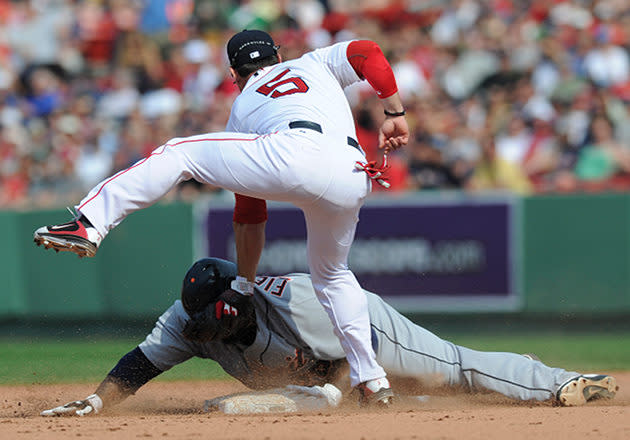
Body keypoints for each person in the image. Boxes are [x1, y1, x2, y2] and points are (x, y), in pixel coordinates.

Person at [33, 30, 409, 405]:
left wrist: (244, 284)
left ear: (233, 74)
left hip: (292, 152)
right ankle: (373, 382)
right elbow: (368, 51)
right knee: (333, 275)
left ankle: (89, 223)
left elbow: (250, 212)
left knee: (179, 152)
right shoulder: (314, 62)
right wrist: (394, 112)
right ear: (277, 56)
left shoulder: (244, 106)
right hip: (354, 170)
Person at [40, 257, 618, 416]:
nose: (215, 333)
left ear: (240, 300)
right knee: (424, 394)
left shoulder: (289, 298)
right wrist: (95, 401)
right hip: (319, 365)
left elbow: (346, 361)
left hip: (359, 325)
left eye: (223, 319)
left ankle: (562, 383)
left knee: (453, 368)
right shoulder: (186, 322)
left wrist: (328, 389)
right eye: (206, 325)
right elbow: (139, 365)